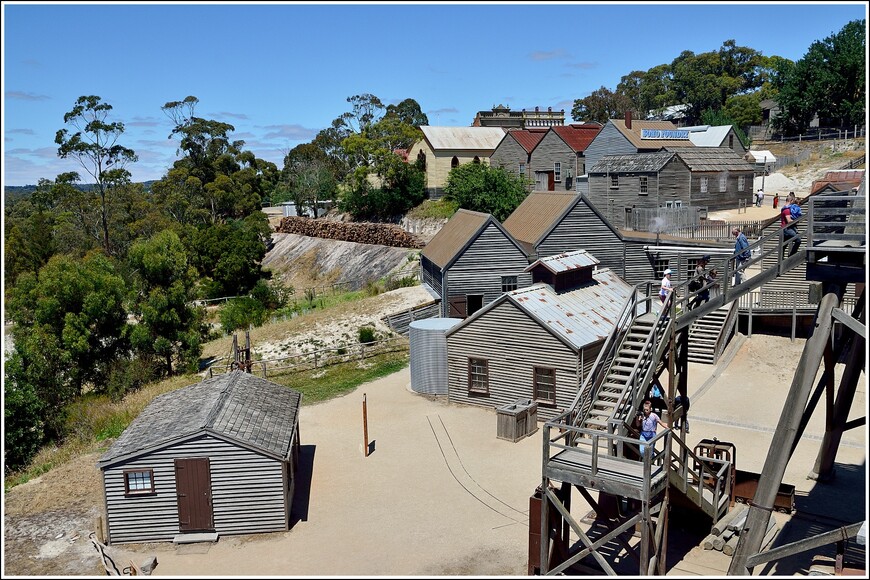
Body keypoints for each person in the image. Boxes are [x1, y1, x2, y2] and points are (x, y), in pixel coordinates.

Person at [780, 191, 802, 257]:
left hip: (785, 228)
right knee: (798, 240)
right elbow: (789, 220)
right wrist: (796, 220)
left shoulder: (784, 208)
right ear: (791, 200)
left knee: (783, 246)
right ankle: (791, 256)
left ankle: (781, 260)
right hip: (787, 228)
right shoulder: (787, 210)